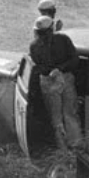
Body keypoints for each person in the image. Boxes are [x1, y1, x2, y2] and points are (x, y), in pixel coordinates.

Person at [29, 15, 82, 152]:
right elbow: (74, 59)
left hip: (58, 79)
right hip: (55, 80)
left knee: (64, 115)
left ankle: (70, 147)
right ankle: (69, 147)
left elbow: (74, 59)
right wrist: (56, 70)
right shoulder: (57, 41)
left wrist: (56, 70)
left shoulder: (39, 45)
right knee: (62, 116)